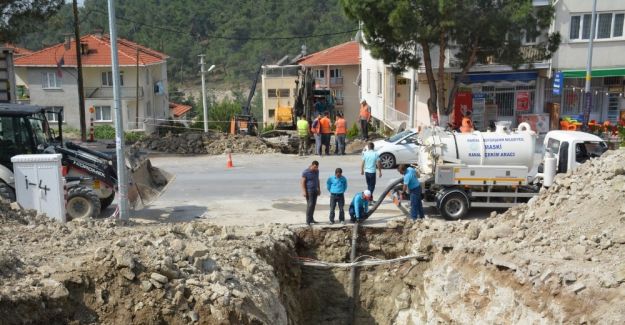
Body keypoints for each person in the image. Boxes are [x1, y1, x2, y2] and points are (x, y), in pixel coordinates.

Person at [301, 160, 321, 225]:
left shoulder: (317, 171)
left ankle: (311, 219)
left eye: (317, 167)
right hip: (309, 190)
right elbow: (302, 182)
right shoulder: (306, 172)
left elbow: (318, 180)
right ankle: (308, 220)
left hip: (315, 190)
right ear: (311, 165)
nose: (316, 168)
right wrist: (304, 191)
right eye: (315, 167)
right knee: (310, 205)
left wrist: (319, 189)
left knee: (313, 205)